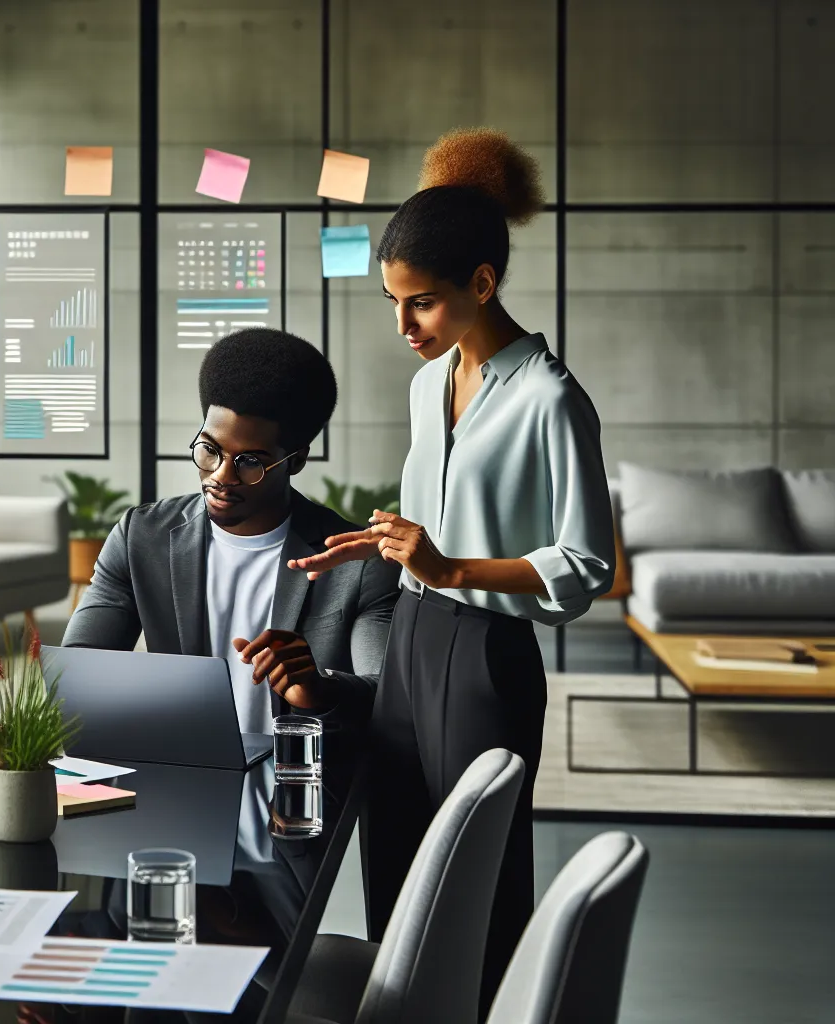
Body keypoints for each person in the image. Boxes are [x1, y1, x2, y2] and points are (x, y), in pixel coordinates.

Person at [290, 128, 616, 1012]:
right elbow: (435, 527)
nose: (404, 327)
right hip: (411, 638)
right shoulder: (427, 385)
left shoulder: (552, 398)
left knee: (474, 873)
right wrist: (390, 542)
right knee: (394, 853)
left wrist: (448, 562)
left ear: (482, 283)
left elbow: (587, 566)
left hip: (487, 658)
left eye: (422, 304)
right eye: (394, 303)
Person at [62, 328, 399, 733]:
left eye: (250, 462)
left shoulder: (356, 562)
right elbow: (78, 671)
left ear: (295, 461)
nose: (221, 476)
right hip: (183, 775)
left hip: (302, 784)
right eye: (210, 449)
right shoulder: (141, 537)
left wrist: (318, 688)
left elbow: (386, 699)